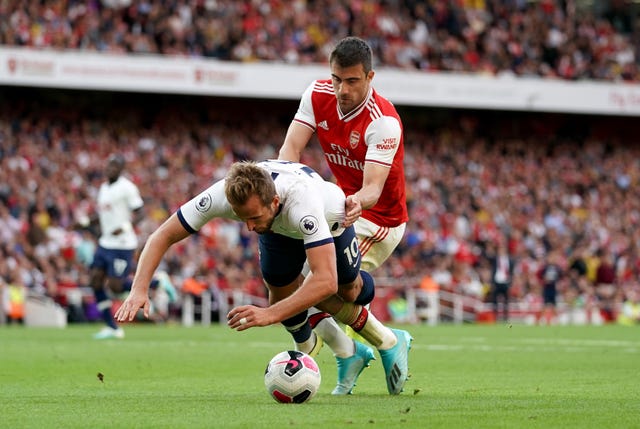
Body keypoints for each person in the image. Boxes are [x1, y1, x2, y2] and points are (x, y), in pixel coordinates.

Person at [114, 160, 411, 395]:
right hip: (278, 230)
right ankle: (348, 352)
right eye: (243, 218)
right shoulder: (226, 196)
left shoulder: (301, 203)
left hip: (331, 221)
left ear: (274, 201)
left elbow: (325, 281)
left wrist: (268, 315)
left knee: (346, 291)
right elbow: (162, 235)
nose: (249, 228)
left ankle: (389, 339)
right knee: (282, 293)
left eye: (254, 218)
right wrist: (138, 289)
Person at [277, 36, 410, 393]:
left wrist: (357, 202)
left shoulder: (383, 122)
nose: (342, 89)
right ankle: (351, 350)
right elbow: (291, 148)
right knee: (290, 281)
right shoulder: (317, 94)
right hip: (336, 208)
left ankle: (383, 342)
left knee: (324, 286)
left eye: (352, 81)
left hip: (378, 219)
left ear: (370, 77)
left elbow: (373, 188)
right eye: (337, 78)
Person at [89, 154, 144, 339]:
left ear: (121, 169)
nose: (109, 168)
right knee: (95, 280)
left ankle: (158, 282)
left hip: (122, 244)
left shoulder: (127, 188)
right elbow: (103, 215)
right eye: (108, 164)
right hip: (105, 242)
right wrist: (84, 221)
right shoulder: (104, 188)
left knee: (116, 287)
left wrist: (125, 227)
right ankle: (112, 327)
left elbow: (140, 212)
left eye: (114, 166)